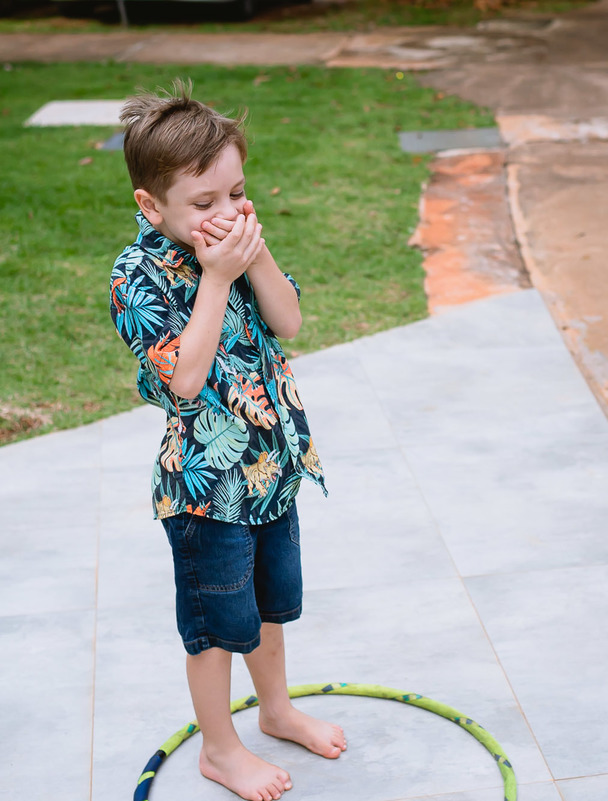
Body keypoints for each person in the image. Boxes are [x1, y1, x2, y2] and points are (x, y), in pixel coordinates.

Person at [109, 79, 345, 801]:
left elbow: (289, 321)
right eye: (204, 202)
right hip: (206, 494)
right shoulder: (136, 277)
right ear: (153, 206)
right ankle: (219, 748)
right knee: (216, 628)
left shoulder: (237, 242)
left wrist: (255, 253)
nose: (227, 213)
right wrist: (216, 278)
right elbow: (184, 379)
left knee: (269, 608)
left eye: (237, 193)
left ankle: (276, 710)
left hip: (272, 470)